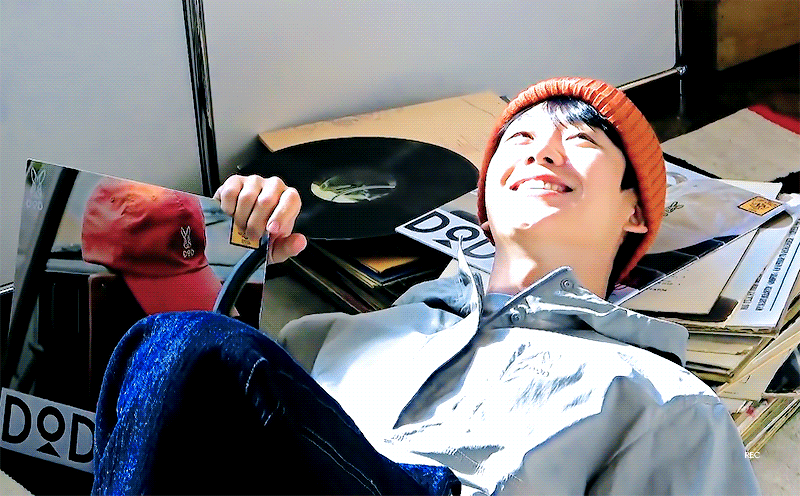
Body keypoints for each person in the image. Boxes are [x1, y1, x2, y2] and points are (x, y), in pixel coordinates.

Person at [92, 77, 760, 495]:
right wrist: (228, 249)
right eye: (521, 139)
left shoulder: (662, 400)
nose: (542, 150)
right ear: (485, 205)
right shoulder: (328, 337)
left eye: (582, 140)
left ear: (637, 211)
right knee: (176, 347)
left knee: (196, 347)